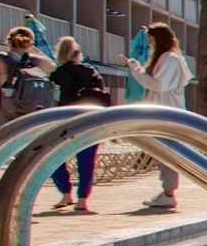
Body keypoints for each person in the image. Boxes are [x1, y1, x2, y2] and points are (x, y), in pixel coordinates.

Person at [124, 22, 189, 210]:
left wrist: (136, 69)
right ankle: (167, 192)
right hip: (165, 112)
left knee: (167, 154)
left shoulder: (170, 59)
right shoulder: (170, 59)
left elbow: (158, 85)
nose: (150, 45)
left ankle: (169, 193)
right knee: (164, 154)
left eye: (152, 41)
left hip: (167, 114)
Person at [46, 37, 114, 213]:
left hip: (65, 120)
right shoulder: (92, 71)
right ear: (79, 54)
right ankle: (82, 199)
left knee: (54, 156)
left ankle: (65, 193)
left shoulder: (58, 74)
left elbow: (53, 98)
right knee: (86, 160)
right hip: (90, 119)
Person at [0, 26, 52, 135]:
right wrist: (33, 49)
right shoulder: (38, 61)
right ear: (30, 42)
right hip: (29, 111)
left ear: (9, 40)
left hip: (2, 111)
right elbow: (52, 65)